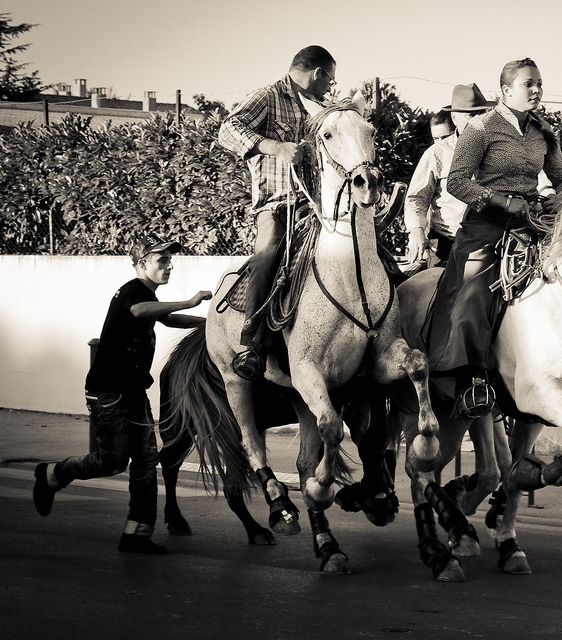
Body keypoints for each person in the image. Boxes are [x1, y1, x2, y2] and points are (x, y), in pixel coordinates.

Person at [33, 239, 212, 554]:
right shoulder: (132, 291)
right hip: (109, 392)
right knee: (112, 461)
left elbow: (167, 319)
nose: (169, 265)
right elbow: (140, 310)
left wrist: (213, 326)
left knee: (146, 460)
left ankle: (136, 534)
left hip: (134, 392)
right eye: (162, 260)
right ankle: (53, 473)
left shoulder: (147, 295)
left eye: (170, 260)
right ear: (142, 264)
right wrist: (189, 302)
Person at [426, 58, 562, 415]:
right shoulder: (481, 128)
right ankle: (470, 380)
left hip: (534, 221)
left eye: (539, 82)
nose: (537, 89)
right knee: (475, 291)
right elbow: (457, 182)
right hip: (486, 223)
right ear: (506, 91)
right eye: (528, 84)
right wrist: (504, 202)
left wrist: (559, 198)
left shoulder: (543, 133)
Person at [217, 45, 337, 380]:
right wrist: (275, 147)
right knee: (267, 255)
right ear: (318, 73)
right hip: (277, 205)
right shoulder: (268, 96)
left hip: (319, 207)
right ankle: (250, 343)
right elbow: (228, 129)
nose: (331, 87)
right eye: (330, 79)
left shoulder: (322, 108)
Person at [404, 84, 495, 269]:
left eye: (482, 112)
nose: (479, 119)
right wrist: (417, 231)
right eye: (471, 114)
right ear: (454, 117)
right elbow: (416, 198)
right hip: (447, 246)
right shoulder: (437, 153)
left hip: (492, 243)